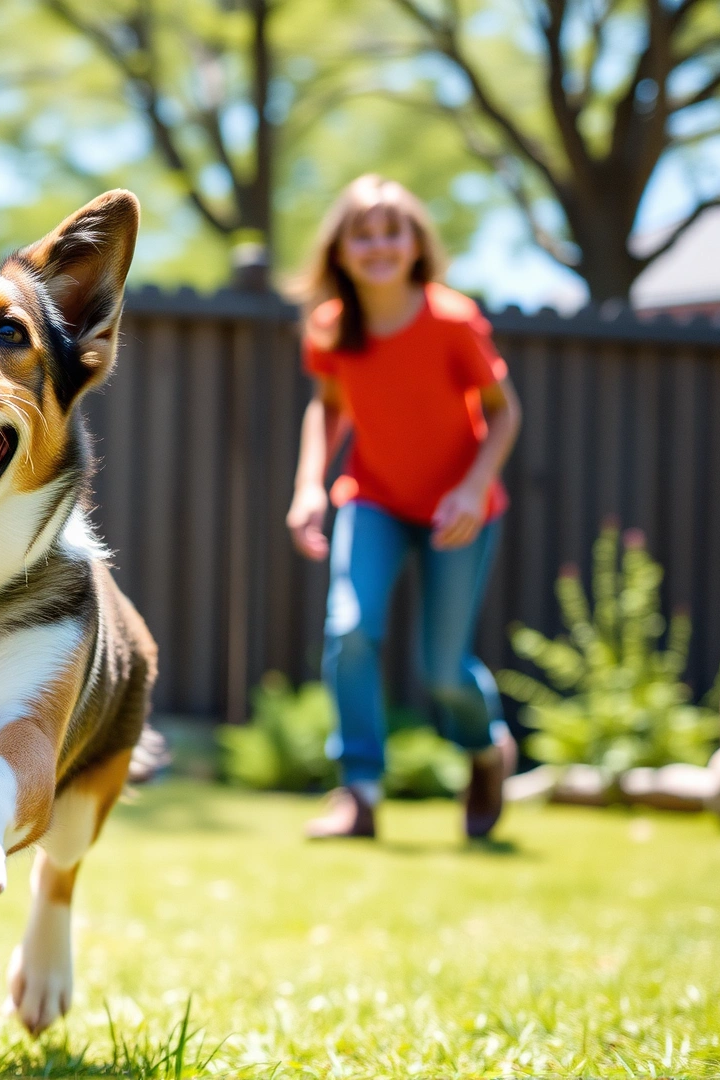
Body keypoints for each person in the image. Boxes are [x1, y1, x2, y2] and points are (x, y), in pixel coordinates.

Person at [284, 175, 521, 841]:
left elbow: (504, 415)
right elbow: (327, 408)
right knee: (350, 628)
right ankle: (358, 791)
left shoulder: (451, 319)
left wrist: (473, 488)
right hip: (375, 500)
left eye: (393, 229)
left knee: (443, 672)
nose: (378, 243)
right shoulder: (331, 327)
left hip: (460, 511)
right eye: (363, 232)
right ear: (341, 249)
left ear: (416, 244)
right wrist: (309, 487)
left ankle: (484, 751)